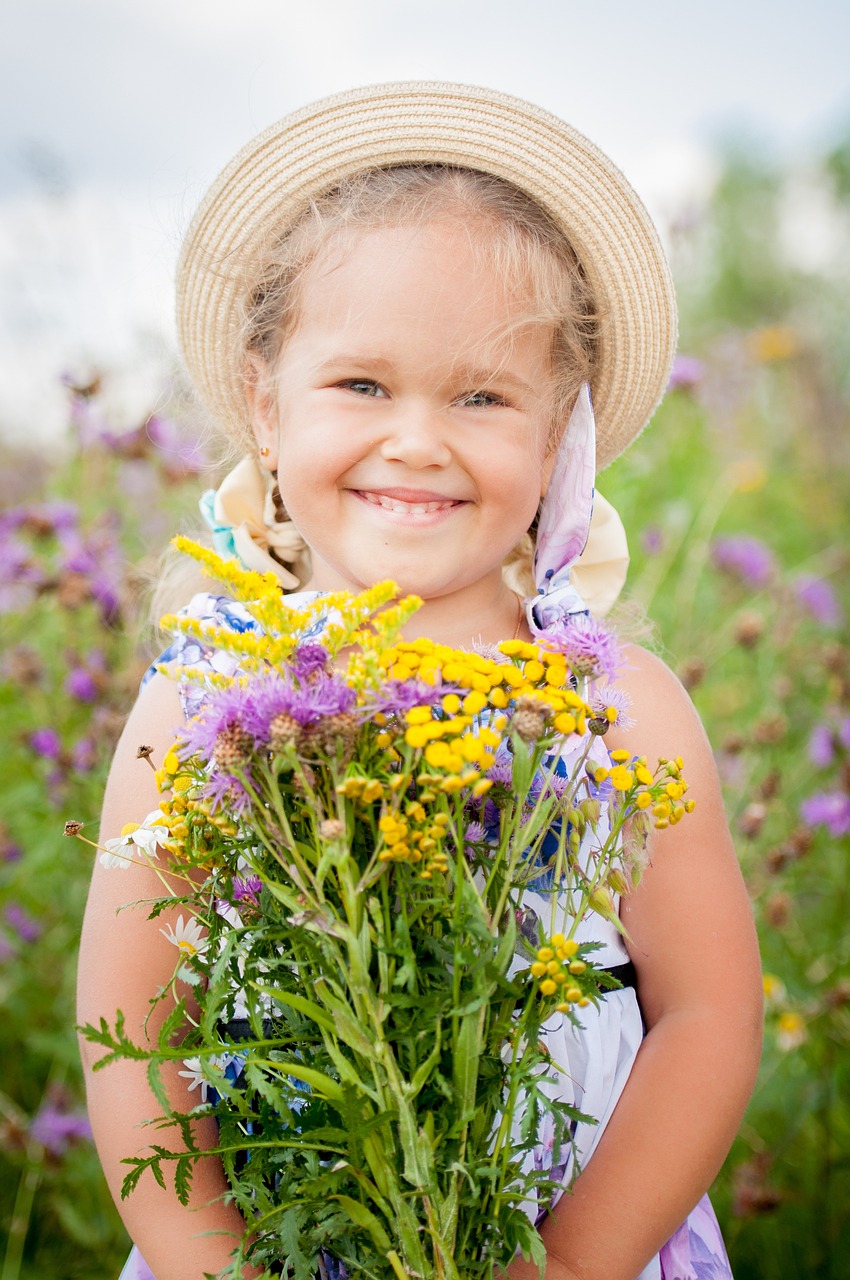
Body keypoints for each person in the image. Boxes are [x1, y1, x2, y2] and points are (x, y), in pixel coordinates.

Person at [77, 83, 763, 1280]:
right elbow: (135, 1035)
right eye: (361, 385)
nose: (416, 439)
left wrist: (569, 1263)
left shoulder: (611, 708)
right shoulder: (203, 703)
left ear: (555, 437)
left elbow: (707, 1016)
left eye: (482, 396)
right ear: (265, 408)